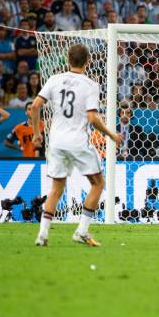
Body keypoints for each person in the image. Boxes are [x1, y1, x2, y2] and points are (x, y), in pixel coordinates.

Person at [30, 44, 122, 247]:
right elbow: (92, 117)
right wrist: (111, 135)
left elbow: (35, 106)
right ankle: (81, 231)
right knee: (98, 184)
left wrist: (37, 134)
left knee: (56, 189)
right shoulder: (90, 85)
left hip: (56, 143)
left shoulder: (54, 80)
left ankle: (42, 235)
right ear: (88, 61)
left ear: (67, 59)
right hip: (78, 142)